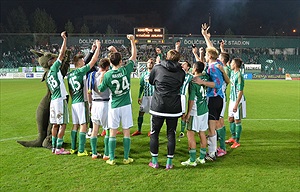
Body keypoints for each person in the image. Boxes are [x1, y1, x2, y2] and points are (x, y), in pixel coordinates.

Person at [98, 34, 137, 165]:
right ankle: (126, 158)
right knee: (126, 132)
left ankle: (112, 158)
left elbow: (101, 88)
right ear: (121, 62)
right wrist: (132, 42)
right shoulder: (126, 70)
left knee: (113, 132)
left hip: (114, 105)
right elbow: (133, 56)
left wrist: (102, 77)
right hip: (126, 104)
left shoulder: (108, 75)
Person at [192, 23, 225, 161]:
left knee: (211, 128)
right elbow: (213, 50)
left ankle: (212, 153)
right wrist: (205, 36)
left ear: (209, 56)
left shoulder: (212, 68)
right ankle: (214, 150)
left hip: (214, 99)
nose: (204, 55)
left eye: (206, 54)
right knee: (214, 126)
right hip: (219, 99)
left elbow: (217, 84)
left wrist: (203, 82)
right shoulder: (218, 63)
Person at [148, 49, 185, 170]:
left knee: (155, 133)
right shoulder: (181, 72)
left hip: (158, 105)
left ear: (167, 57)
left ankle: (154, 161)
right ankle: (169, 162)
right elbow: (180, 84)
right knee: (171, 134)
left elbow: (151, 81)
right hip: (173, 107)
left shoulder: (157, 68)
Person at [68, 40, 101, 156]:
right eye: (82, 60)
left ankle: (73, 148)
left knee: (75, 125)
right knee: (83, 125)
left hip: (74, 102)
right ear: (78, 62)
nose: (83, 61)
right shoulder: (81, 71)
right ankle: (81, 150)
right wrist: (98, 48)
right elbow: (93, 61)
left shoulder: (70, 74)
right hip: (82, 102)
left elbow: (70, 90)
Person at [46, 31, 70, 155]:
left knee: (55, 125)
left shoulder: (48, 75)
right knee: (63, 124)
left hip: (53, 101)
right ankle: (59, 149)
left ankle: (54, 147)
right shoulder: (55, 68)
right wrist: (64, 40)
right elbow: (62, 54)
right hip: (60, 100)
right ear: (53, 63)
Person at [181, 61, 209, 166]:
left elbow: (191, 99)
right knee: (202, 133)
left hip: (196, 111)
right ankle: (201, 158)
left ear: (195, 69)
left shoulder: (193, 82)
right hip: (204, 110)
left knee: (190, 134)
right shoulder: (205, 78)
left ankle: (192, 160)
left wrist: (188, 114)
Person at [87, 58, 111, 160]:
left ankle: (94, 153)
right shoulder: (107, 75)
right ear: (107, 67)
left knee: (95, 130)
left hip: (95, 104)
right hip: (105, 103)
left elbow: (88, 92)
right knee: (108, 129)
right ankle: (106, 154)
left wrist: (90, 104)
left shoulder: (91, 75)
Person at [225, 58, 246, 149]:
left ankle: (237, 141)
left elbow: (240, 91)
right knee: (230, 119)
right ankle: (233, 137)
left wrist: (236, 104)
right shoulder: (233, 73)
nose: (230, 64)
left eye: (232, 63)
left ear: (236, 65)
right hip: (232, 99)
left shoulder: (239, 76)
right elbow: (225, 63)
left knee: (237, 120)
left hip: (238, 100)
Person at [132, 58, 155, 136]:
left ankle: (152, 130)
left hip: (153, 97)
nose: (150, 64)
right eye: (148, 62)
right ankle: (139, 130)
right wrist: (139, 96)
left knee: (153, 114)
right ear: (146, 64)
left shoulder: (155, 74)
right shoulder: (143, 74)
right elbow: (141, 86)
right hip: (145, 97)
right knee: (141, 112)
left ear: (153, 64)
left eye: (151, 62)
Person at [175, 41, 193, 139]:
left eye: (184, 64)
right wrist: (177, 48)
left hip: (182, 97)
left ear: (188, 67)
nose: (182, 65)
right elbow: (175, 61)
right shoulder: (178, 72)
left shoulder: (190, 77)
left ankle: (182, 131)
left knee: (182, 114)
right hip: (175, 95)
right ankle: (173, 130)